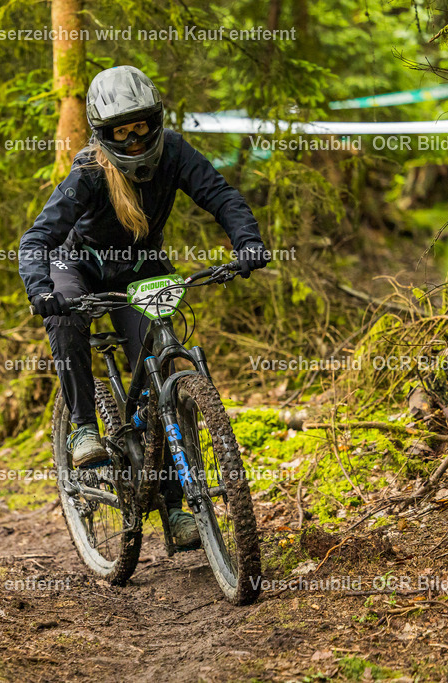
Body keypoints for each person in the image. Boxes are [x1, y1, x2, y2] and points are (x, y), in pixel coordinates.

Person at [18, 65, 270, 547]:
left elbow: (220, 195)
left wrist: (247, 242)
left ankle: (177, 506)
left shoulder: (174, 151)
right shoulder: (90, 170)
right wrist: (40, 290)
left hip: (143, 267)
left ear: (155, 121)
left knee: (159, 374)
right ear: (103, 133)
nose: (133, 140)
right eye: (120, 131)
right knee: (65, 316)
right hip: (81, 266)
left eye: (141, 127)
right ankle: (83, 428)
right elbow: (37, 239)